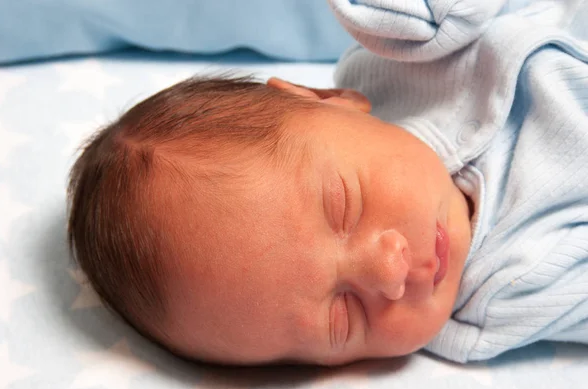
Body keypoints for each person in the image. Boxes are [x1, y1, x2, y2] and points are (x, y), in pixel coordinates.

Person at [67, 0, 588, 365]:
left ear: (323, 99)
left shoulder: (399, 64)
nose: (391, 271)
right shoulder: (510, 294)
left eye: (345, 205)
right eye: (343, 318)